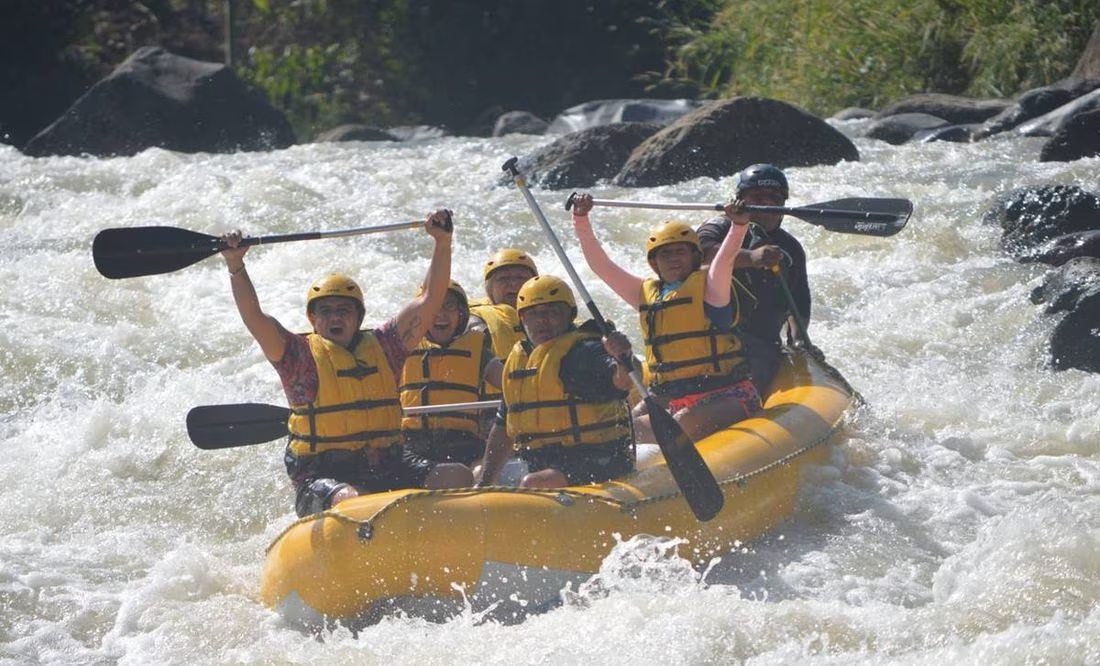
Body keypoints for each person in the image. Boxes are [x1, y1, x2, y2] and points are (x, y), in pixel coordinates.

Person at [219, 209, 473, 517]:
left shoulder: (386, 346)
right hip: (322, 476)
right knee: (354, 499)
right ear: (313, 319)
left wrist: (442, 243)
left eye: (344, 310)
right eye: (326, 311)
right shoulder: (296, 356)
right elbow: (254, 317)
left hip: (388, 463)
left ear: (358, 317)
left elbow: (430, 300)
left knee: (458, 475)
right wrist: (236, 265)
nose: (336, 317)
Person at [569, 193, 762, 442]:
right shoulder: (644, 294)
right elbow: (601, 266)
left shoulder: (712, 287)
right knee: (621, 429)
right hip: (673, 398)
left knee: (679, 423)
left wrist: (738, 226)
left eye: (680, 251)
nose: (673, 258)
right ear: (654, 263)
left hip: (728, 396)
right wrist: (581, 219)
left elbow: (724, 260)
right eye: (665, 254)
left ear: (694, 256)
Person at [475, 275, 636, 489]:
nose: (542, 320)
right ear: (522, 320)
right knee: (479, 473)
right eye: (533, 314)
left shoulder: (584, 353)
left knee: (533, 482)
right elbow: (503, 427)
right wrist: (486, 482)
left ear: (569, 315)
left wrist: (624, 358)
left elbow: (623, 381)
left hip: (602, 459)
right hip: (544, 464)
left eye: (552, 312)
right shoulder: (520, 362)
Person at [696, 163, 811, 395]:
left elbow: (798, 303)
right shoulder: (719, 226)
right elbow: (700, 253)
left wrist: (799, 342)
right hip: (715, 341)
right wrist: (751, 257)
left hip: (762, 347)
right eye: (758, 196)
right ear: (740, 200)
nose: (767, 203)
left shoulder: (790, 247)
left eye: (774, 198)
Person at [399, 279, 502, 466]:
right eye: (434, 307)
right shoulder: (400, 351)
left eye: (449, 307)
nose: (441, 314)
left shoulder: (478, 352)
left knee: (480, 468)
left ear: (461, 314)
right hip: (413, 444)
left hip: (464, 444)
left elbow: (510, 385)